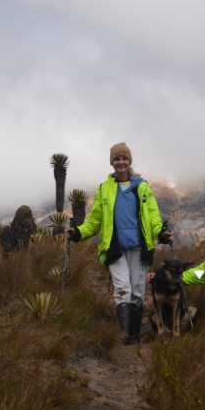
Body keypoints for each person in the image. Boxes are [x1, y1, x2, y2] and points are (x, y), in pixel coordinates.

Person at [66, 142, 172, 344]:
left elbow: (153, 217)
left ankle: (133, 334)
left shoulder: (142, 187)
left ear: (129, 161)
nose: (121, 162)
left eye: (124, 158)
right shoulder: (104, 189)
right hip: (116, 248)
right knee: (122, 288)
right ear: (112, 162)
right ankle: (126, 336)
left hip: (140, 247)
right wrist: (78, 233)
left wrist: (162, 233)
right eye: (117, 159)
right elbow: (95, 221)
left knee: (137, 288)